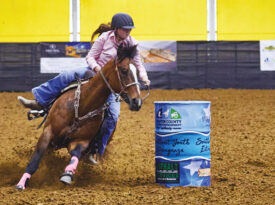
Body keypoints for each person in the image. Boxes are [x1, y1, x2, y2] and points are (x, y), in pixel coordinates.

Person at [18, 13, 150, 164]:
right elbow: (91, 57)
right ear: (116, 29)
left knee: (112, 117)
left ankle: (94, 152)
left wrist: (144, 78)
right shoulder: (104, 38)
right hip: (94, 73)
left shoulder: (132, 44)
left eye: (129, 29)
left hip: (113, 83)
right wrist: (98, 69)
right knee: (65, 76)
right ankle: (40, 101)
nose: (128, 32)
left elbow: (138, 64)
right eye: (125, 29)